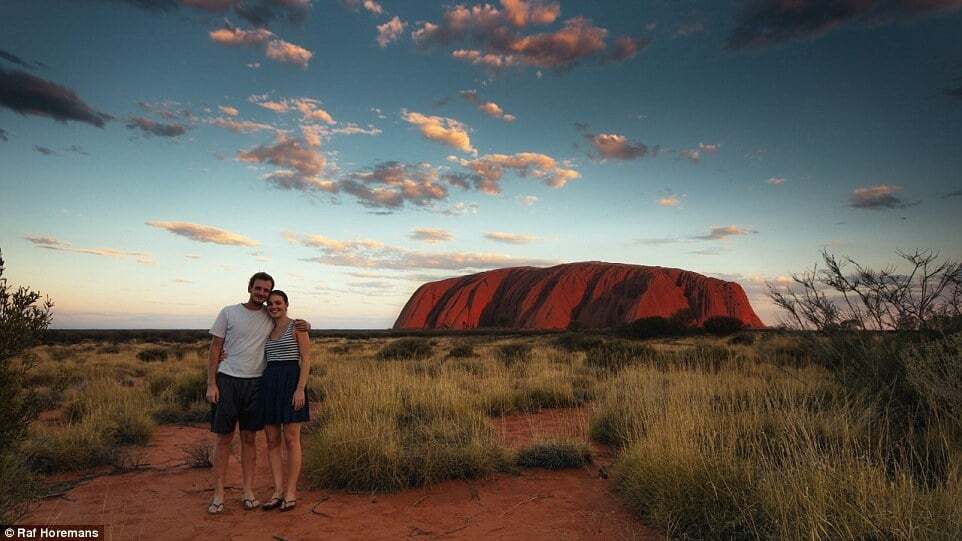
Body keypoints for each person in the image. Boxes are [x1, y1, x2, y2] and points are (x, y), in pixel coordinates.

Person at [205, 272, 308, 515]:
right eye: (259, 289)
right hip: (229, 380)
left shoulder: (270, 316)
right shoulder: (229, 312)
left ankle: (249, 492)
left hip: (257, 384)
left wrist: (306, 325)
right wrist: (211, 382)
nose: (263, 295)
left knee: (250, 439)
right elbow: (215, 347)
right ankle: (218, 494)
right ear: (250, 287)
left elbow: (296, 332)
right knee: (224, 439)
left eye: (267, 291)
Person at [258, 290, 311, 512]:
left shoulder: (297, 327)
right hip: (269, 383)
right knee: (271, 440)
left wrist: (300, 389)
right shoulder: (266, 328)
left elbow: (306, 359)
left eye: (278, 303)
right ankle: (277, 491)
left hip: (291, 383)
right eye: (270, 303)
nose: (274, 306)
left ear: (286, 305)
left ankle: (290, 492)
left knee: (291, 439)